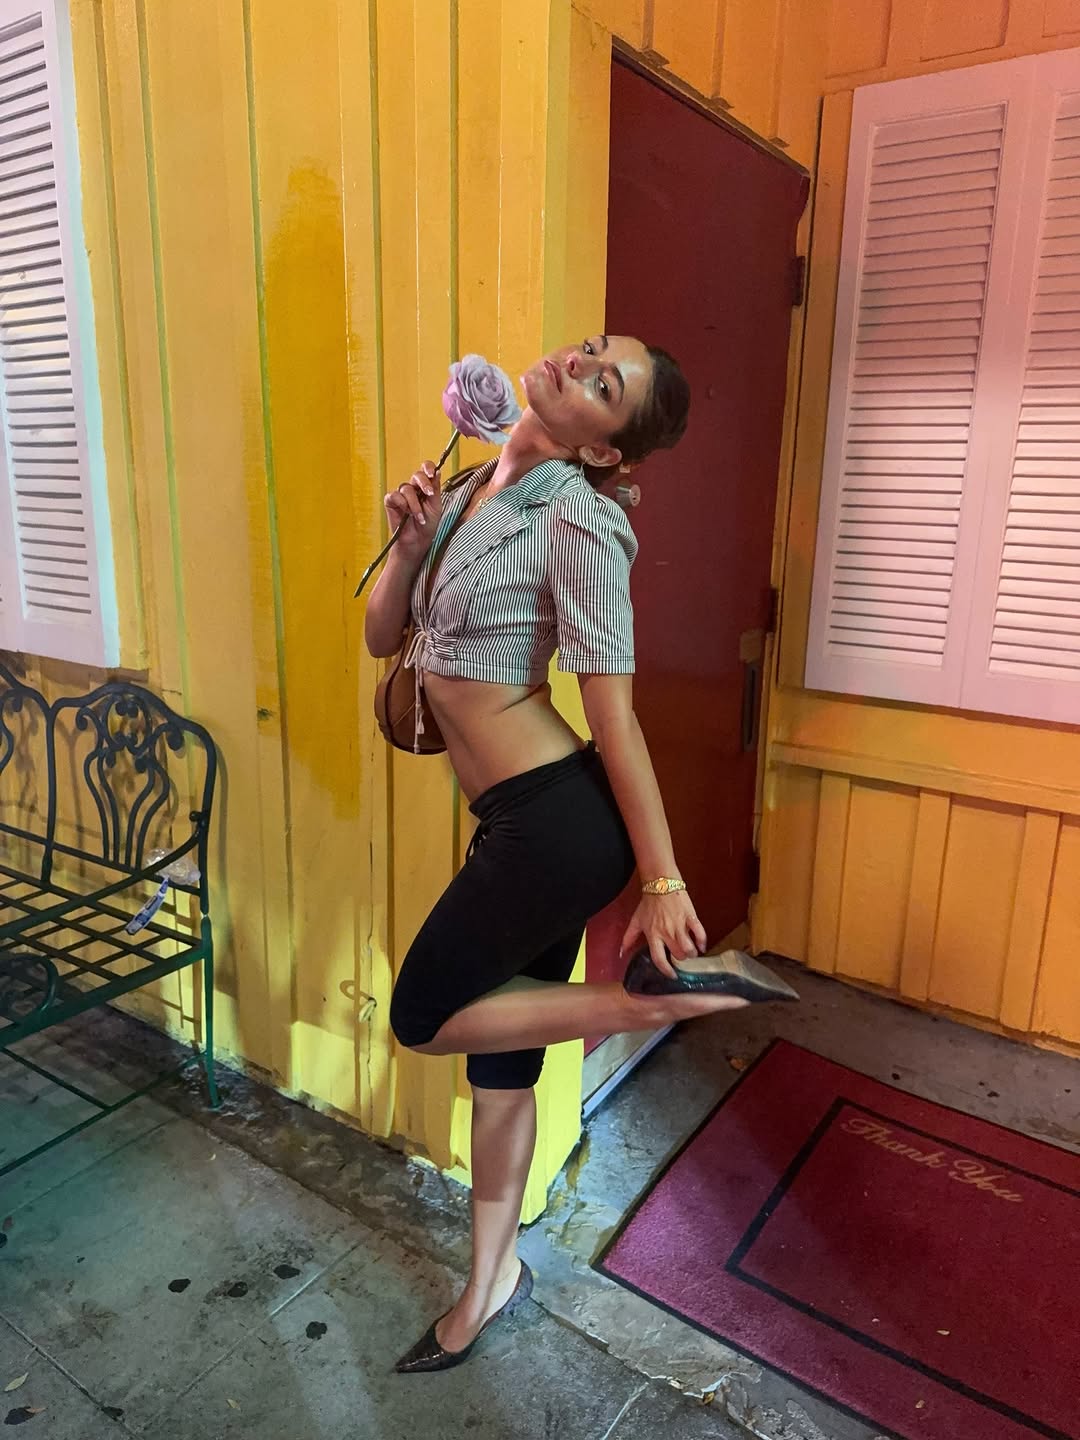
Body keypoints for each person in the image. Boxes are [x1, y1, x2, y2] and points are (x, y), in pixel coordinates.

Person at [364, 335, 795, 1374]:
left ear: (604, 452)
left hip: (556, 829)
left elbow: (615, 718)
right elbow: (383, 638)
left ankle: (646, 1007)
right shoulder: (468, 488)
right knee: (500, 1070)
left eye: (606, 385)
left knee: (423, 1016)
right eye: (596, 352)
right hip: (523, 825)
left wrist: (663, 878)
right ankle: (490, 1282)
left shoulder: (579, 517)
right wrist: (410, 544)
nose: (582, 362)